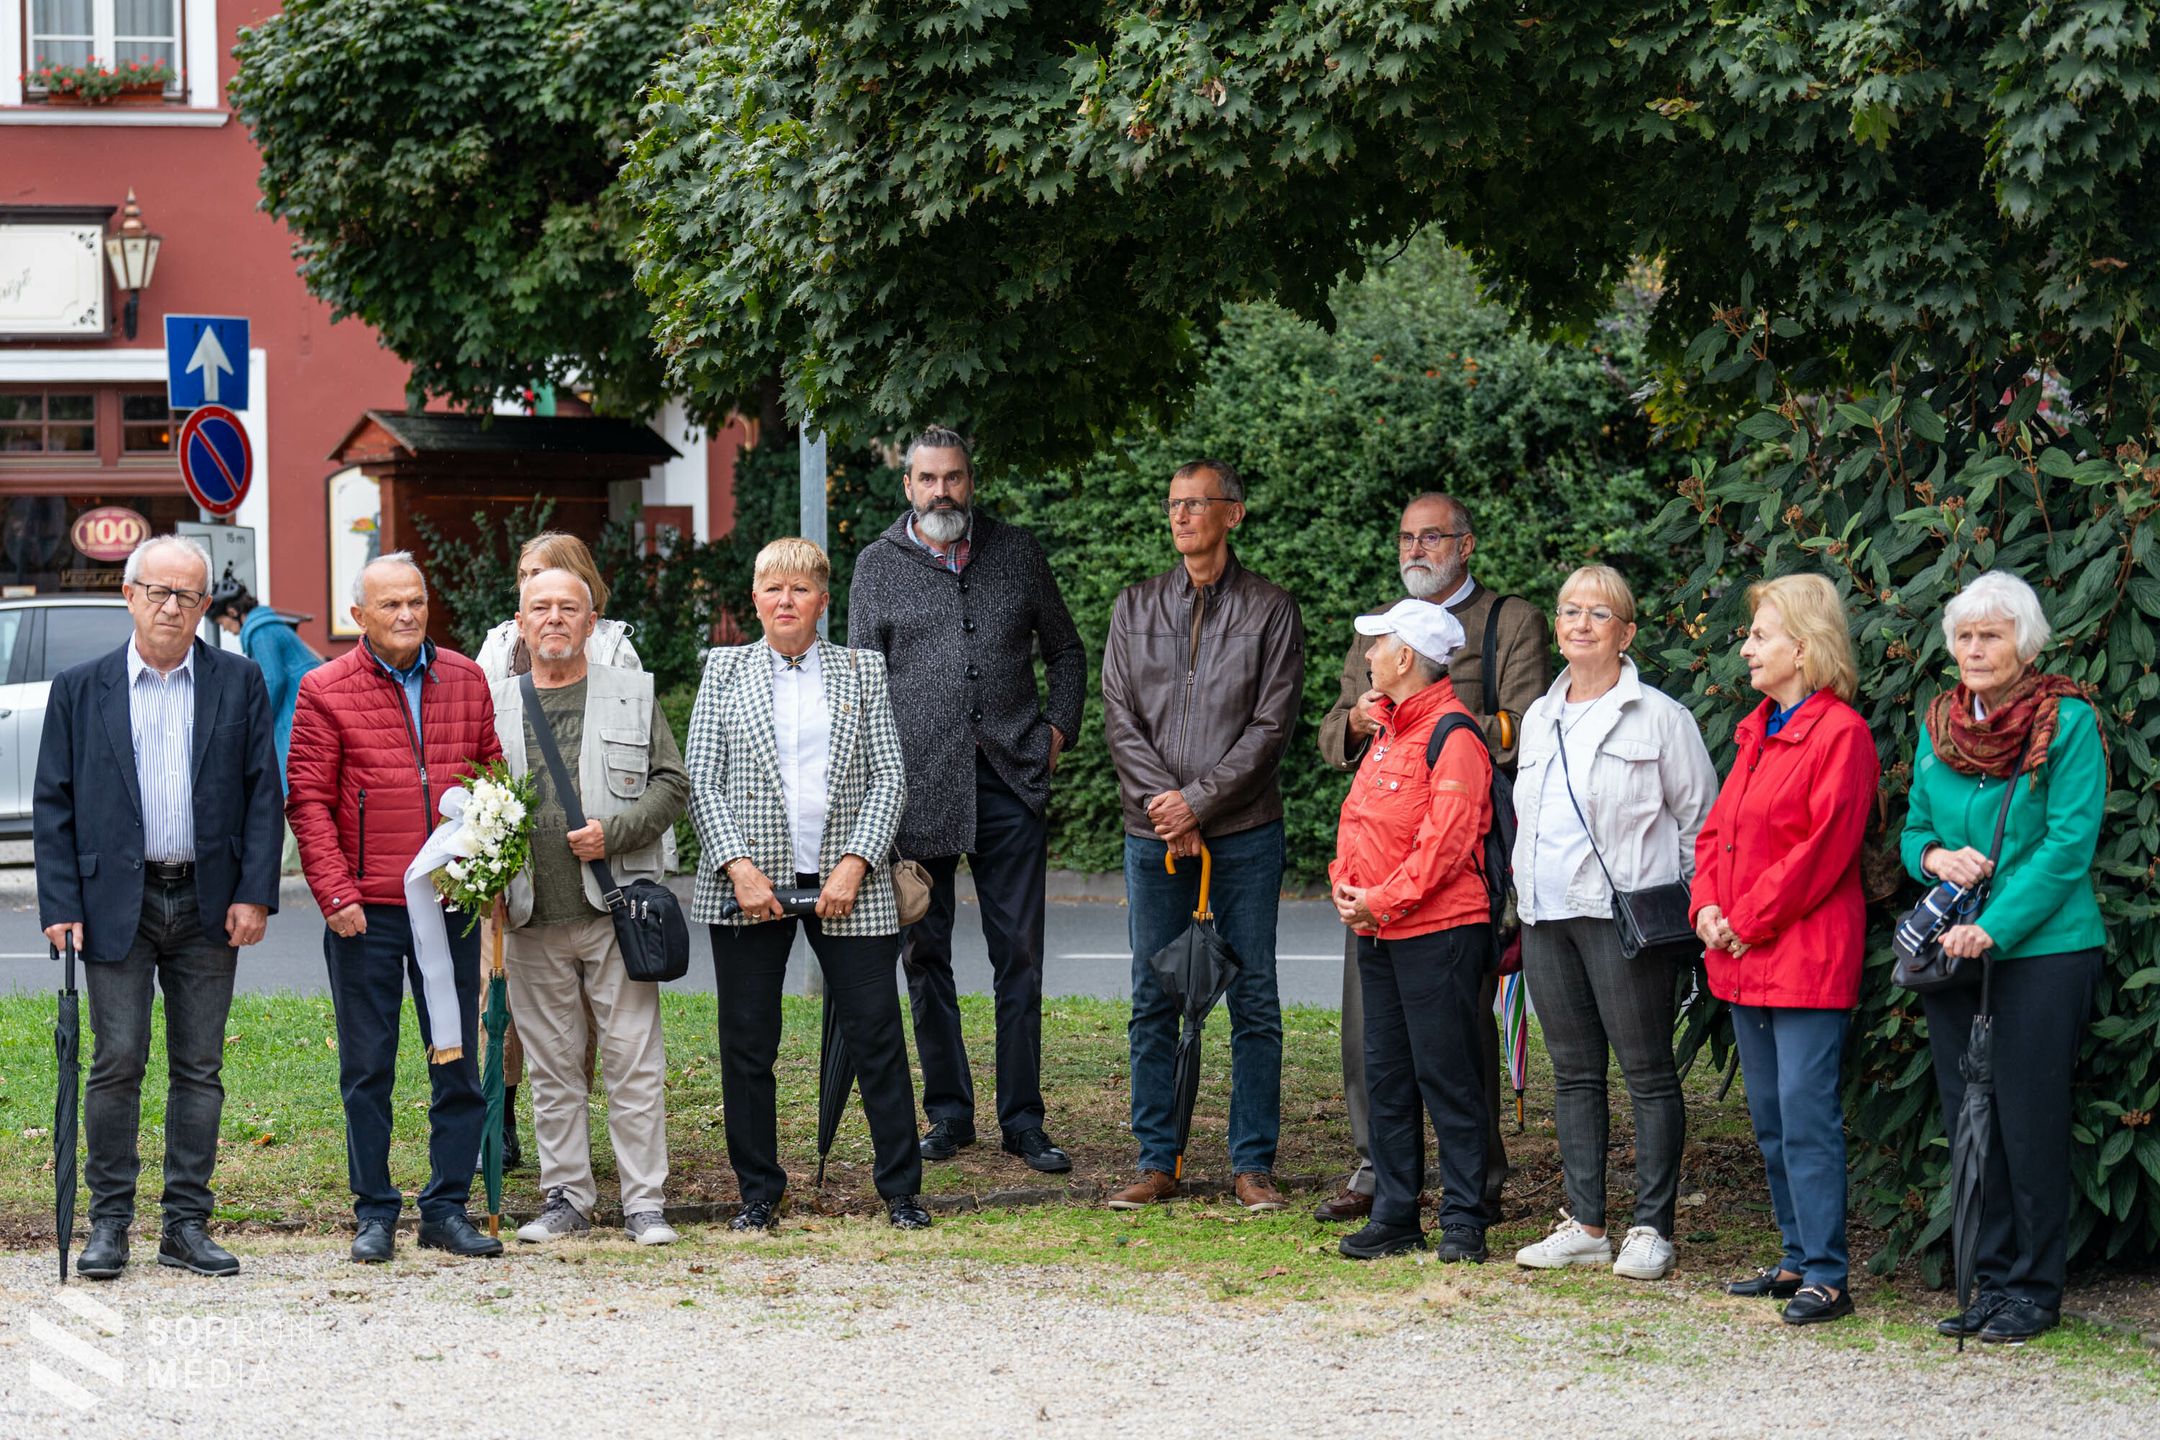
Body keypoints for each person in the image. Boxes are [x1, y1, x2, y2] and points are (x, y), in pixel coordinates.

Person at [33, 535, 283, 1280]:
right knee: (115, 1063)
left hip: (209, 902)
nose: (172, 606)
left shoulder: (237, 683)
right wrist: (60, 903)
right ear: (130, 595)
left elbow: (263, 796)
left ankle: (185, 1225)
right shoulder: (80, 689)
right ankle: (109, 1225)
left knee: (199, 1069)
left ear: (205, 606)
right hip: (117, 899)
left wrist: (254, 892)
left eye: (188, 595)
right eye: (158, 591)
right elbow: (54, 806)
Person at [847, 426, 1086, 1174]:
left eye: (953, 477)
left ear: (970, 481)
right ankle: (948, 1113)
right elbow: (860, 683)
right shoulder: (876, 566)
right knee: (926, 953)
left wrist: (1058, 729)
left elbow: (1068, 652)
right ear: (908, 485)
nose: (941, 490)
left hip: (1011, 776)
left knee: (1018, 955)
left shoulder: (1016, 551)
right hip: (915, 789)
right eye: (928, 479)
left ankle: (1023, 1120)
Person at [1313, 492, 1547, 1223]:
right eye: (1406, 537)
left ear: (1465, 545)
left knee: (1458, 1030)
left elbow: (1525, 724)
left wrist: (1431, 723)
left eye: (1432, 537)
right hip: (1376, 868)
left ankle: (1476, 1183)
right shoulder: (1381, 631)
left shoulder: (1509, 620)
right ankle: (1381, 1171)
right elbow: (1338, 731)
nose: (1415, 549)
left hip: (1462, 858)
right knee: (1369, 1035)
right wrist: (1358, 722)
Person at [685, 538, 929, 1232]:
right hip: (747, 886)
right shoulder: (724, 671)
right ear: (755, 599)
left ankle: (901, 1192)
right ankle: (758, 1192)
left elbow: (889, 777)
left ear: (824, 601)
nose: (786, 601)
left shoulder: (861, 669)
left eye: (801, 589)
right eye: (773, 589)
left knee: (877, 1034)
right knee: (747, 1039)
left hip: (849, 883)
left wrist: (856, 862)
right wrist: (738, 868)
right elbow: (702, 780)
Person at [1902, 571, 2107, 1344]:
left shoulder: (2070, 722)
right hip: (1953, 949)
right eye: (1965, 635)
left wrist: (1999, 927)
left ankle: (2034, 1290)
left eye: (1993, 634)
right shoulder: (1939, 722)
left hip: (2045, 950)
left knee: (2027, 1122)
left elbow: (2067, 846)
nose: (1976, 648)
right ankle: (1986, 1281)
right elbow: (1913, 828)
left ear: (2025, 642)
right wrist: (1935, 859)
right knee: (1969, 1123)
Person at [288, 552, 508, 1263]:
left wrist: (483, 871)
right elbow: (309, 801)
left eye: (416, 601)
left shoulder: (468, 678)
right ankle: (374, 1210)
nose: (409, 615)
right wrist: (335, 891)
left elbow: (491, 778)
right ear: (359, 616)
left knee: (456, 1055)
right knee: (368, 1065)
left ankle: (446, 1206)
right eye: (391, 606)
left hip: (448, 904)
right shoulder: (324, 690)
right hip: (367, 911)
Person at [1102, 459, 1305, 1212]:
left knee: (1253, 998)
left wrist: (1198, 805)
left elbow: (1270, 727)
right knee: (1153, 996)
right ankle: (1160, 1159)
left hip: (1245, 833)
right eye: (1175, 504)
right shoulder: (1135, 605)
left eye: (1199, 503)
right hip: (1153, 834)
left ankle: (1252, 1163)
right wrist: (1169, 808)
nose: (1183, 516)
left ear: (1235, 514)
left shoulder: (1272, 609)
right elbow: (1120, 717)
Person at [1507, 566, 1717, 1280]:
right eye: (1570, 610)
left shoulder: (1661, 717)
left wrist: (1678, 911)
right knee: (1572, 1074)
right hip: (1546, 916)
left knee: (1649, 1074)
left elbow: (1702, 826)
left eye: (1600, 613)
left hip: (1624, 918)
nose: (1582, 623)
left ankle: (1652, 1227)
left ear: (1626, 632)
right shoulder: (1539, 715)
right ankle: (1586, 1222)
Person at [1691, 572, 1878, 1325]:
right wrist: (1706, 904)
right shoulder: (1757, 729)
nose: (1747, 649)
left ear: (1803, 647)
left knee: (1805, 1115)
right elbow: (1715, 832)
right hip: (1744, 955)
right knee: (1770, 1116)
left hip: (1804, 958)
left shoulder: (1841, 734)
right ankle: (1798, 1255)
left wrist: (1744, 918)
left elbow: (1820, 851)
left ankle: (1828, 1276)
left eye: (1760, 636)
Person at [494, 568, 690, 1247]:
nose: (553, 619)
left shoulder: (632, 695)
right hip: (527, 916)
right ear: (519, 624)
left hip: (616, 913)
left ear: (591, 622)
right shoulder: (493, 703)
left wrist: (619, 831)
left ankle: (644, 1204)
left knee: (634, 1062)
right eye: (539, 608)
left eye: (568, 608)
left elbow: (671, 783)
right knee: (550, 1067)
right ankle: (567, 1197)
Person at [1327, 600, 1495, 1261]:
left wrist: (1380, 901)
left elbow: (1444, 847)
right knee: (1387, 1076)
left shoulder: (1453, 736)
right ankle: (1397, 1213)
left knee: (1447, 1076)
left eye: (1379, 644)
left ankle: (1463, 1220)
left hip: (1438, 933)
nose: (1368, 654)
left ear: (1406, 658)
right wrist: (1348, 887)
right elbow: (1359, 817)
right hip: (1379, 929)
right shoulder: (1388, 730)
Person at [474, 533, 629, 1170]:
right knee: (498, 993)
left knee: (584, 1016)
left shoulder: (612, 642)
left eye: (547, 574)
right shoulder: (496, 644)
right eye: (524, 575)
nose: (534, 586)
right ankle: (501, 1120)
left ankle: (574, 1132)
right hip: (511, 851)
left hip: (588, 861)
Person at [207, 579, 322, 788]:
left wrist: (255, 720)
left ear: (233, 611)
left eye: (222, 622)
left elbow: (272, 681)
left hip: (295, 713)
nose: (225, 629)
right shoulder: (268, 626)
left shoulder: (260, 633)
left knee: (294, 783)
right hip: (305, 710)